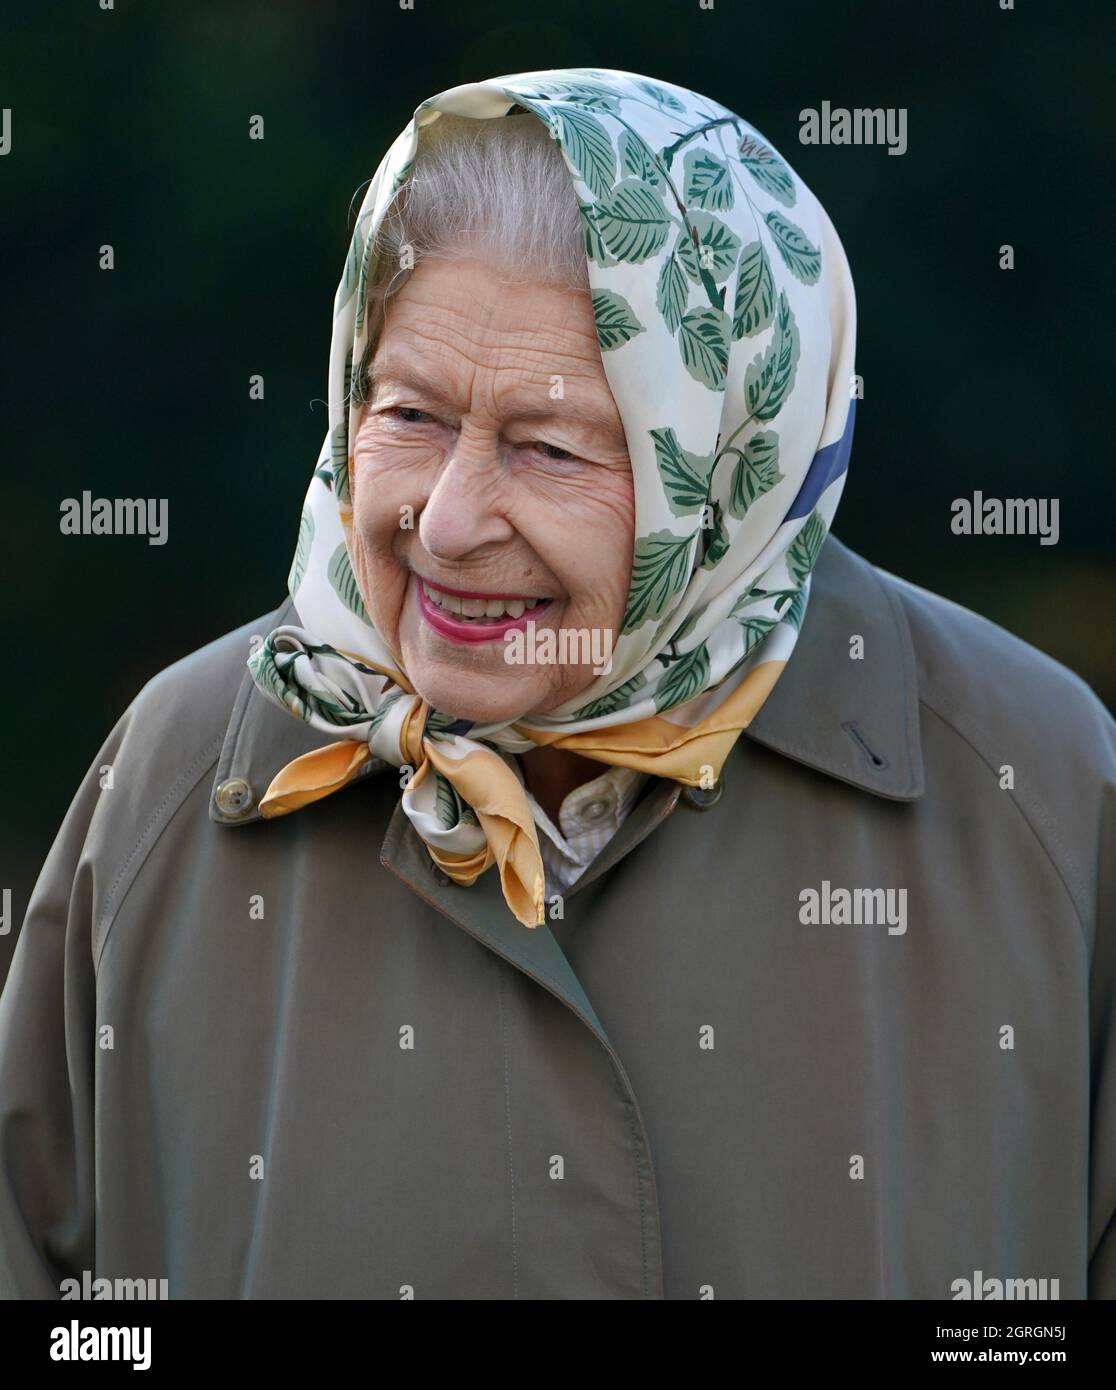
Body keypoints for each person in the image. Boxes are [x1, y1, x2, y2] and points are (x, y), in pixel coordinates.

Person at [1, 66, 1113, 1301]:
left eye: (548, 446)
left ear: (732, 461)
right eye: (411, 414)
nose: (450, 519)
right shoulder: (186, 767)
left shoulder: (1039, 790)